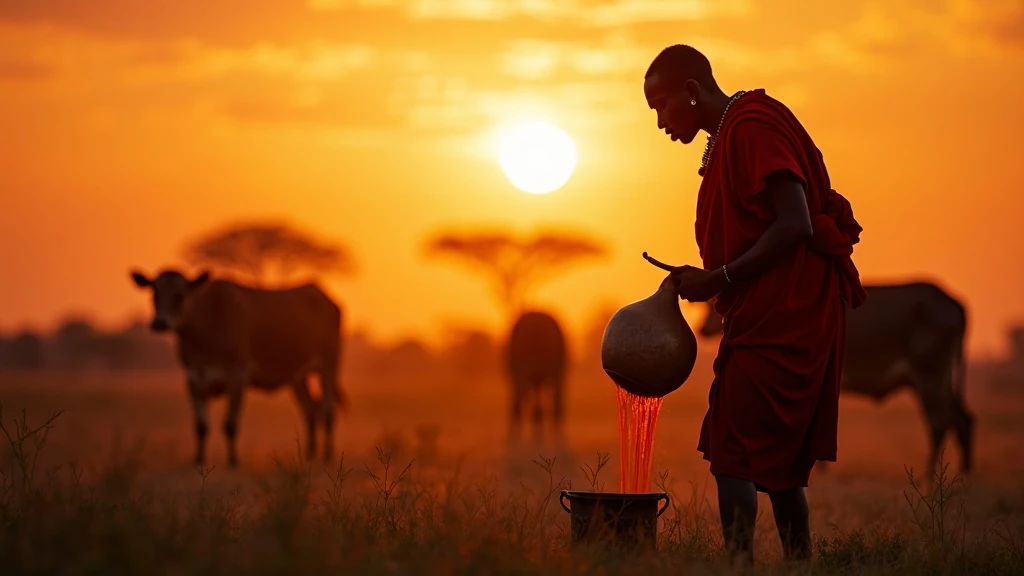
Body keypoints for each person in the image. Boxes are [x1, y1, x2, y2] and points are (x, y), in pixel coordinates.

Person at [642, 44, 868, 565]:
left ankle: (740, 565)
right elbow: (757, 231)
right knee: (778, 468)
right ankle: (799, 564)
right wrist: (706, 279)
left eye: (661, 105)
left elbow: (795, 223)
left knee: (732, 453)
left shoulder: (750, 128)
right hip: (771, 308)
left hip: (787, 313)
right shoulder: (730, 135)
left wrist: (717, 277)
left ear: (692, 92)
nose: (659, 122)